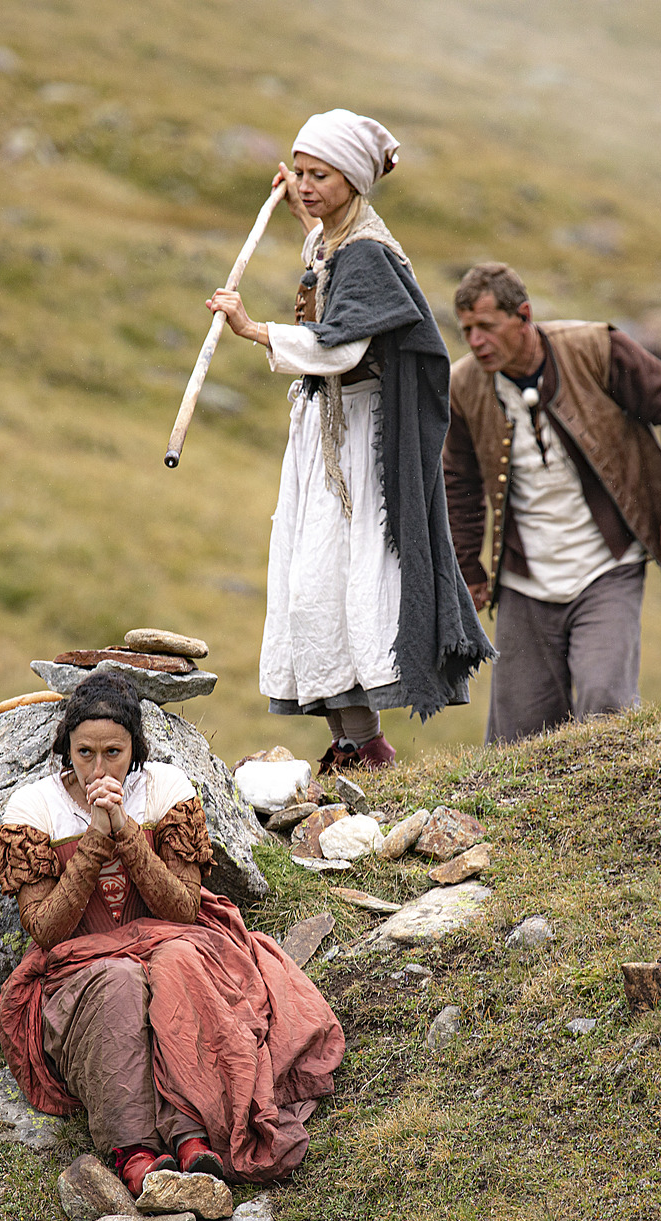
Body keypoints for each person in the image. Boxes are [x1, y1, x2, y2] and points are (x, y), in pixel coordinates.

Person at [206, 109, 493, 773]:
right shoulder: (339, 239)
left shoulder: (367, 253)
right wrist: (300, 208)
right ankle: (351, 744)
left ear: (354, 181)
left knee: (339, 580)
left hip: (358, 442)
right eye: (301, 172)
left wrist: (254, 329)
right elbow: (324, 249)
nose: (307, 185)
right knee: (314, 582)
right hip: (326, 434)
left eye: (321, 176)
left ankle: (366, 746)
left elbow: (344, 347)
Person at [0, 673, 345, 1194]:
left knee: (176, 964)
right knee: (119, 982)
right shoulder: (34, 808)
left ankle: (193, 1135)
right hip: (79, 972)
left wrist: (125, 830)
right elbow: (46, 930)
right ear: (67, 748)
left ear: (135, 748)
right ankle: (134, 1151)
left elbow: (181, 909)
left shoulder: (166, 789)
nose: (98, 768)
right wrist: (95, 837)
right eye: (85, 753)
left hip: (174, 942)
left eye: (113, 752)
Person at [442, 262, 661, 743]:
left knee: (606, 703)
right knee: (517, 739)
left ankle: (620, 790)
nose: (476, 341)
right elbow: (458, 480)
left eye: (487, 326)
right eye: (467, 331)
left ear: (524, 316)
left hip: (608, 565)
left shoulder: (595, 348)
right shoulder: (464, 386)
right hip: (524, 579)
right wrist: (468, 568)